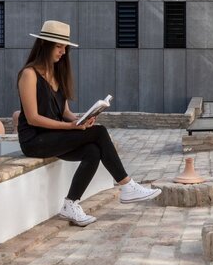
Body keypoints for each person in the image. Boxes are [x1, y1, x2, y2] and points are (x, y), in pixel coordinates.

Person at [16, 20, 160, 226]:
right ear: (44, 45)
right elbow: (33, 118)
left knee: (92, 151)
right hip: (34, 140)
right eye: (59, 47)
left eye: (65, 48)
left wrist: (80, 120)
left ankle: (70, 204)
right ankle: (127, 185)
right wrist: (70, 127)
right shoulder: (29, 74)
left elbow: (64, 112)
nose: (63, 52)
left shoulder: (57, 74)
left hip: (53, 137)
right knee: (99, 133)